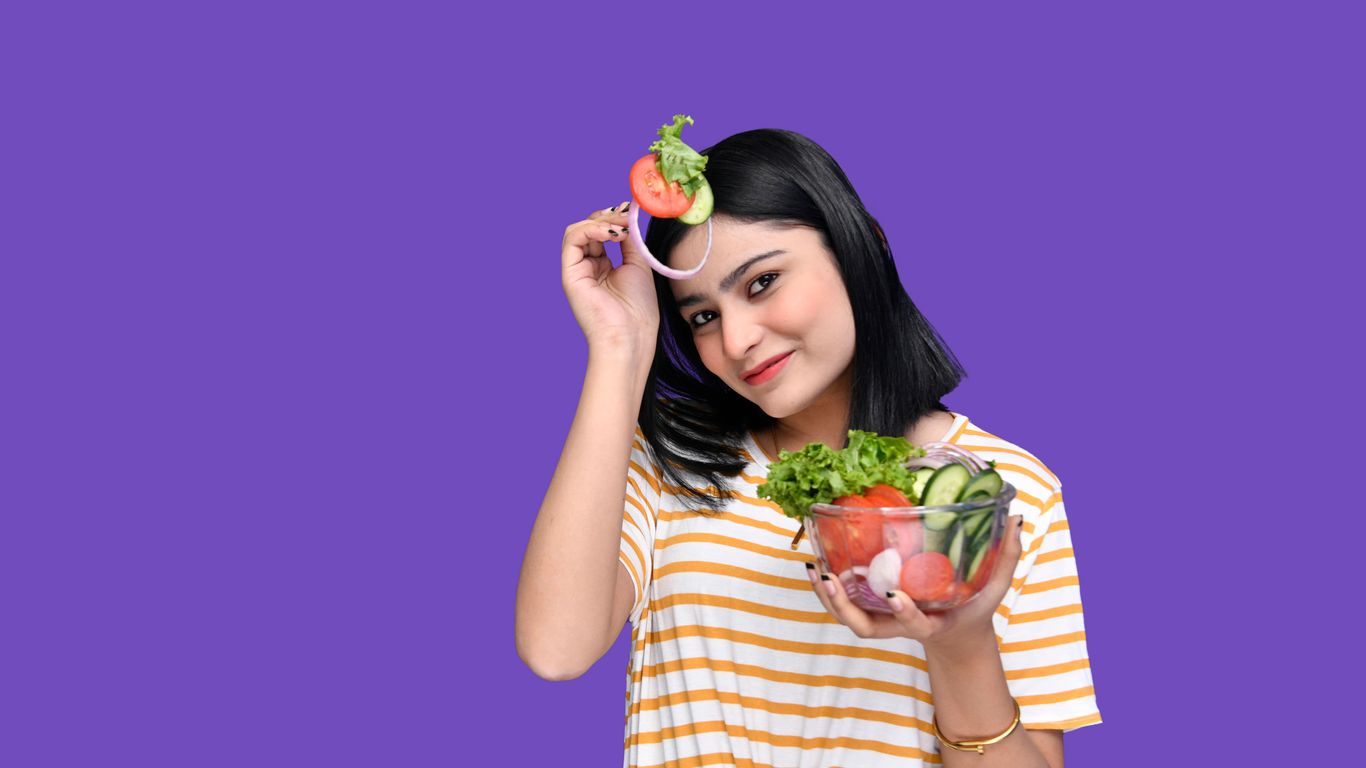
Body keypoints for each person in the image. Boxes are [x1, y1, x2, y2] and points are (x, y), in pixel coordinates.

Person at [515, 128, 1101, 767]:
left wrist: (960, 645)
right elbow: (556, 650)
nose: (736, 340)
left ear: (863, 251)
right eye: (702, 316)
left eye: (762, 282)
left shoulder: (1003, 492)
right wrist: (618, 347)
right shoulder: (669, 464)